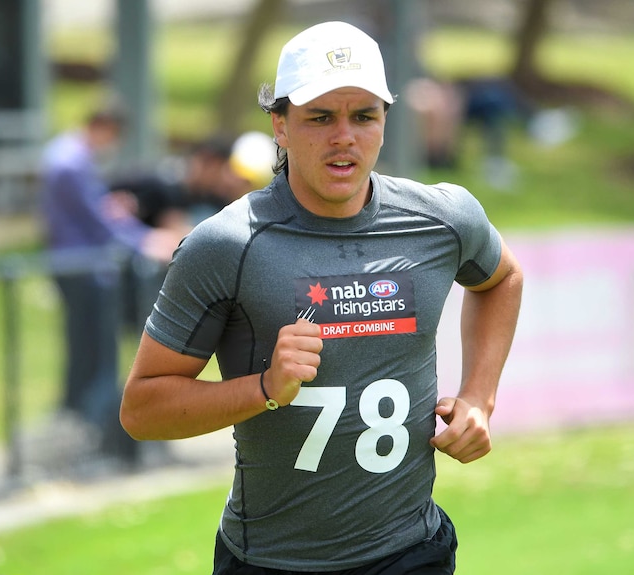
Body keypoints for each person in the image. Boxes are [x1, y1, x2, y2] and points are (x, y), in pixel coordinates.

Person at [120, 21, 523, 574]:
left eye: (363, 116)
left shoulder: (441, 218)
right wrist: (263, 388)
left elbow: (501, 278)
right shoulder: (227, 244)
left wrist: (479, 396)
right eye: (319, 117)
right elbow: (142, 409)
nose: (344, 137)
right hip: (271, 562)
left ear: (385, 121)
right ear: (279, 125)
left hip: (412, 553)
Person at [39, 98, 179, 464]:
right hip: (84, 272)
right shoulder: (70, 162)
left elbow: (99, 214)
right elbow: (98, 223)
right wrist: (146, 241)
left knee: (88, 351)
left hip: (79, 268)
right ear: (104, 127)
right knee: (95, 354)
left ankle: (85, 428)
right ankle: (91, 433)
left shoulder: (65, 155)